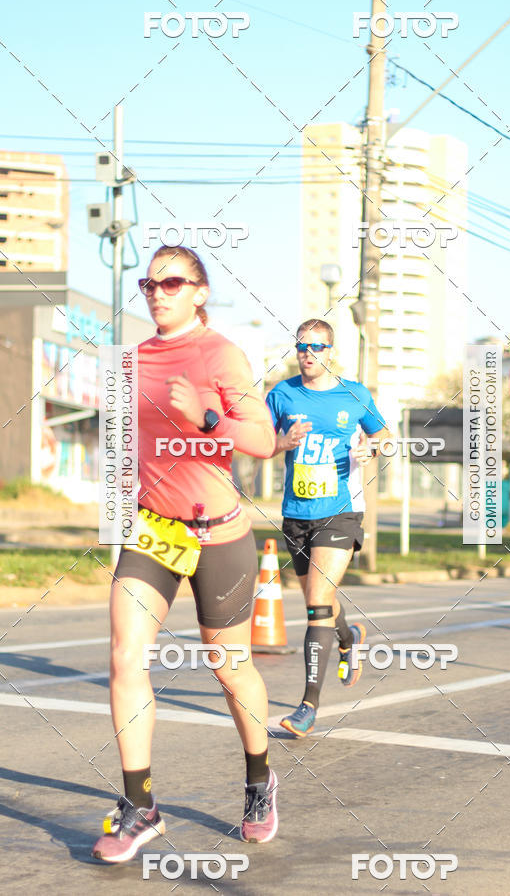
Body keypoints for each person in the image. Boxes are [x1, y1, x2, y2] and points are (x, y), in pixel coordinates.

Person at [92, 246, 278, 862]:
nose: (157, 291)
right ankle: (139, 806)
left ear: (200, 291)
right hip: (153, 531)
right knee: (125, 656)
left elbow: (262, 440)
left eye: (172, 281)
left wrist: (203, 417)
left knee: (228, 669)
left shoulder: (219, 354)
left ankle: (258, 780)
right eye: (149, 282)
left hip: (219, 532)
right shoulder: (132, 360)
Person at [266, 319, 387, 737]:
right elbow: (260, 440)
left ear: (330, 351)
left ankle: (307, 707)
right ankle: (349, 636)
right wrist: (281, 443)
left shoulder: (354, 394)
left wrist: (373, 447)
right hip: (296, 513)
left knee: (318, 602)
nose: (308, 353)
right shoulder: (281, 394)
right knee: (319, 601)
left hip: (341, 511)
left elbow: (385, 434)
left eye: (316, 346)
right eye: (301, 346)